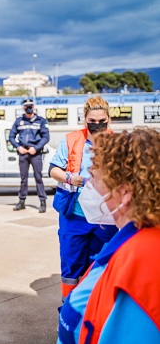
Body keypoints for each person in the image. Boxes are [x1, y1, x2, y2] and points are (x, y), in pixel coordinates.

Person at [57, 127, 160, 344]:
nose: (89, 186)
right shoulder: (130, 241)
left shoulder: (140, 263)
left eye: (95, 179)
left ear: (124, 194)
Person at [49, 96, 118, 302]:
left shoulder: (117, 143)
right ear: (84, 119)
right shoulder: (71, 140)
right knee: (71, 267)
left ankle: (95, 313)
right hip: (75, 217)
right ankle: (68, 313)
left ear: (109, 120)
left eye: (102, 121)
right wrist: (71, 177)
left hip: (105, 219)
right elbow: (54, 170)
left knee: (100, 266)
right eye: (92, 121)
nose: (97, 125)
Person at [9, 97, 50, 213]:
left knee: (38, 178)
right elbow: (11, 137)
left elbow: (46, 137)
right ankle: (21, 201)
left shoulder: (40, 121)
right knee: (23, 179)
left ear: (34, 107)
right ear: (23, 107)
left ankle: (42, 202)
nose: (28, 108)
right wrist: (18, 147)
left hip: (35, 153)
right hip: (23, 153)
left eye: (30, 106)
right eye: (26, 106)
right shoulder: (19, 121)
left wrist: (36, 148)